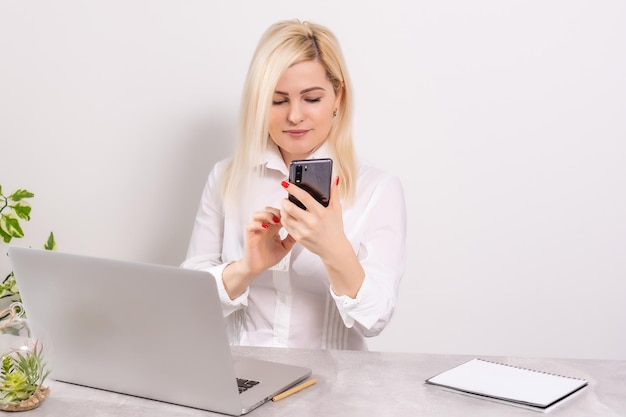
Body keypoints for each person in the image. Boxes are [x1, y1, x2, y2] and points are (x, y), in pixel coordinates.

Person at [181, 19, 406, 350]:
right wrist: (247, 267)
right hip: (242, 377)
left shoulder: (378, 188)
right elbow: (189, 300)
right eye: (278, 100)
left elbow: (374, 319)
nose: (295, 116)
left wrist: (334, 248)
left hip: (334, 390)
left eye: (312, 99)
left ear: (337, 98)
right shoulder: (226, 177)